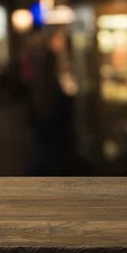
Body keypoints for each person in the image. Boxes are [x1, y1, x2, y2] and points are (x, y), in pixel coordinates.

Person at [28, 26, 83, 176]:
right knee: (48, 153)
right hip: (51, 118)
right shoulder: (51, 60)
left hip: (45, 117)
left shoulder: (46, 63)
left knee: (43, 151)